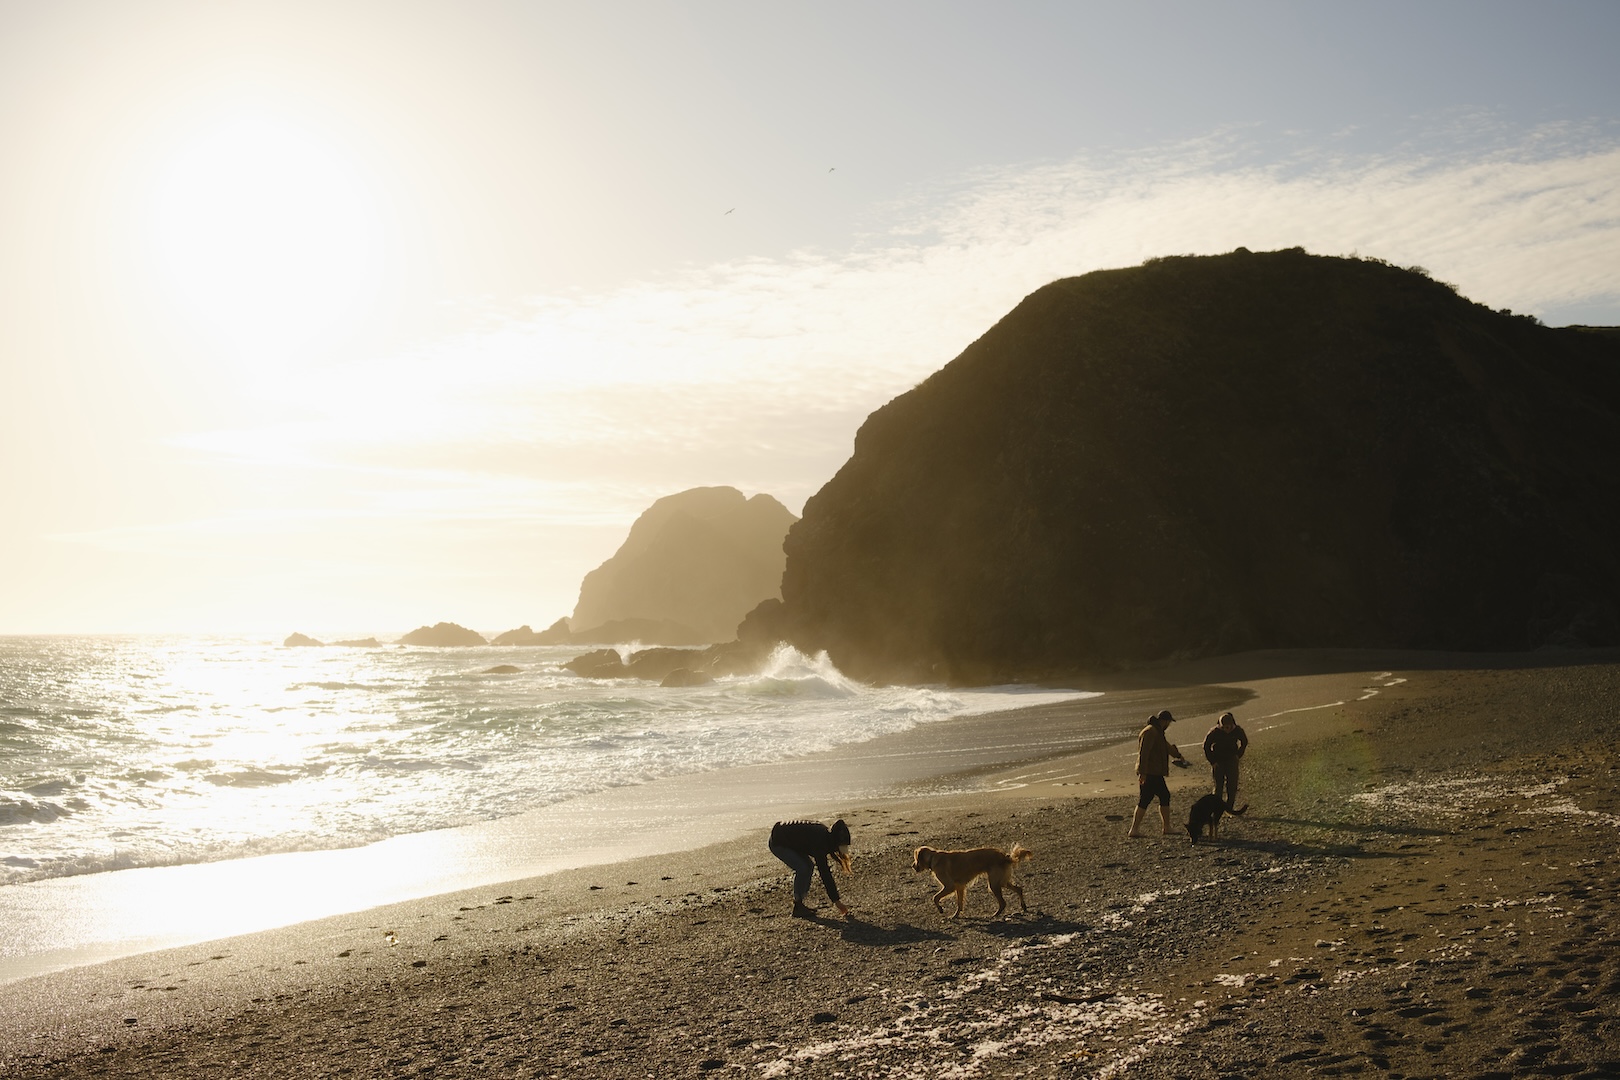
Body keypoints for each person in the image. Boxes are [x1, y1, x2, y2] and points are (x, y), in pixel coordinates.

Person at [769, 818, 852, 918]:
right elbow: (824, 873)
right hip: (778, 841)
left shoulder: (825, 836)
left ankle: (800, 903)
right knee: (803, 868)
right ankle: (798, 906)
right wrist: (837, 901)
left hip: (789, 840)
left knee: (808, 866)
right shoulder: (820, 842)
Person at [1127, 710, 1188, 838]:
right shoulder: (1150, 732)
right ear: (1165, 721)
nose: (1169, 725)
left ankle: (1163, 827)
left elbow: (1166, 747)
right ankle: (1137, 829)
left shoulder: (1157, 732)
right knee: (1151, 798)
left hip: (1154, 772)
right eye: (1169, 722)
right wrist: (1142, 773)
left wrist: (1178, 755)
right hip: (1150, 772)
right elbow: (1144, 753)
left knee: (1157, 797)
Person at [1203, 711, 1249, 810]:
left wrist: (1238, 755)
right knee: (1218, 786)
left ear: (1232, 725)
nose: (1226, 730)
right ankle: (1217, 808)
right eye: (1224, 727)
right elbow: (1206, 746)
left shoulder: (1237, 730)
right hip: (1218, 761)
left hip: (1232, 759)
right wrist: (1212, 761)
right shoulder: (1214, 732)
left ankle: (1229, 808)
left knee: (1232, 785)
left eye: (1228, 727)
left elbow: (1244, 741)